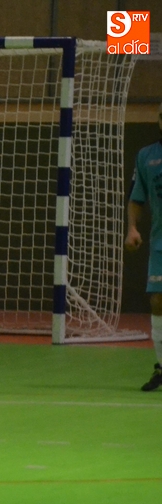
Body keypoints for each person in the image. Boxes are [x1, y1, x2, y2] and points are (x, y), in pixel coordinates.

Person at [125, 101, 162, 391]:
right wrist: (133, 227)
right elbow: (137, 197)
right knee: (158, 300)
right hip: (160, 243)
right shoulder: (146, 156)